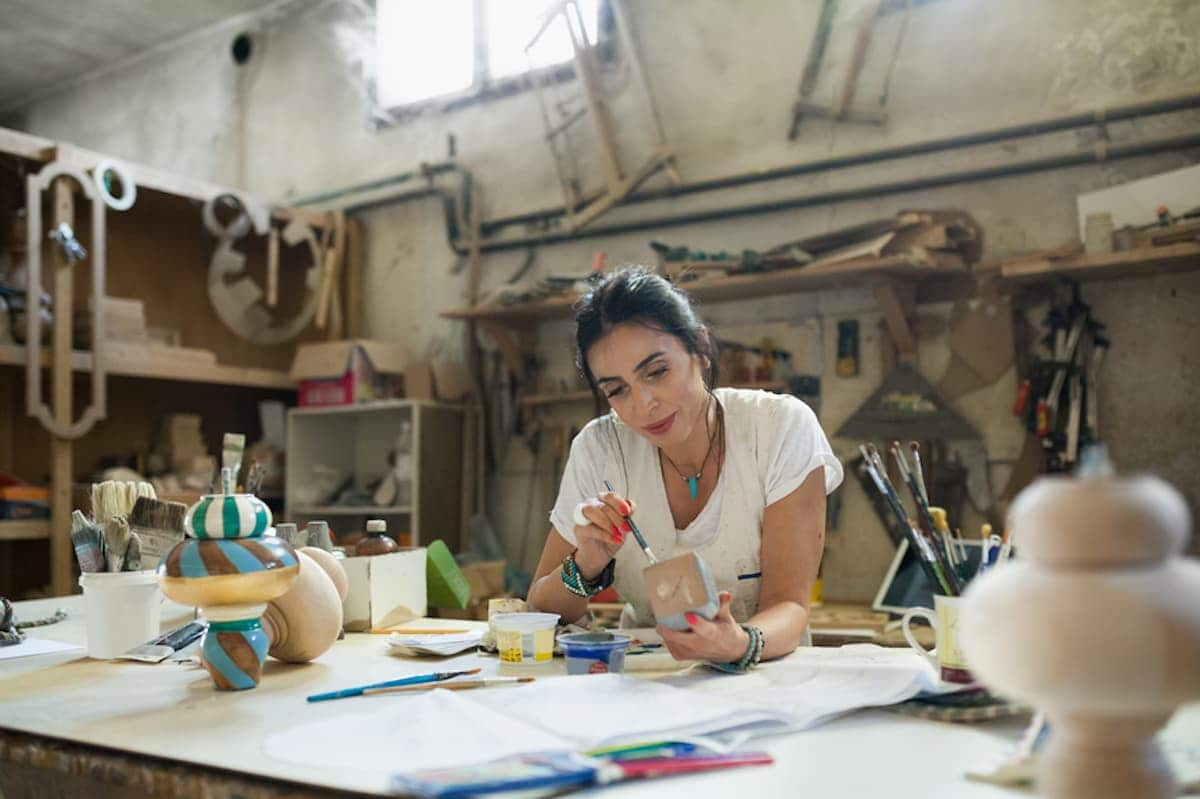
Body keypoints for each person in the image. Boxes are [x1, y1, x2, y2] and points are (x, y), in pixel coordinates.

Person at [527, 267, 842, 671]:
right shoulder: (600, 447)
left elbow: (789, 606)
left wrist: (737, 643)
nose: (643, 406)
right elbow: (541, 611)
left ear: (700, 350)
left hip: (765, 674)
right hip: (649, 679)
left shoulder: (779, 427)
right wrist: (586, 564)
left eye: (657, 372)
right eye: (617, 390)